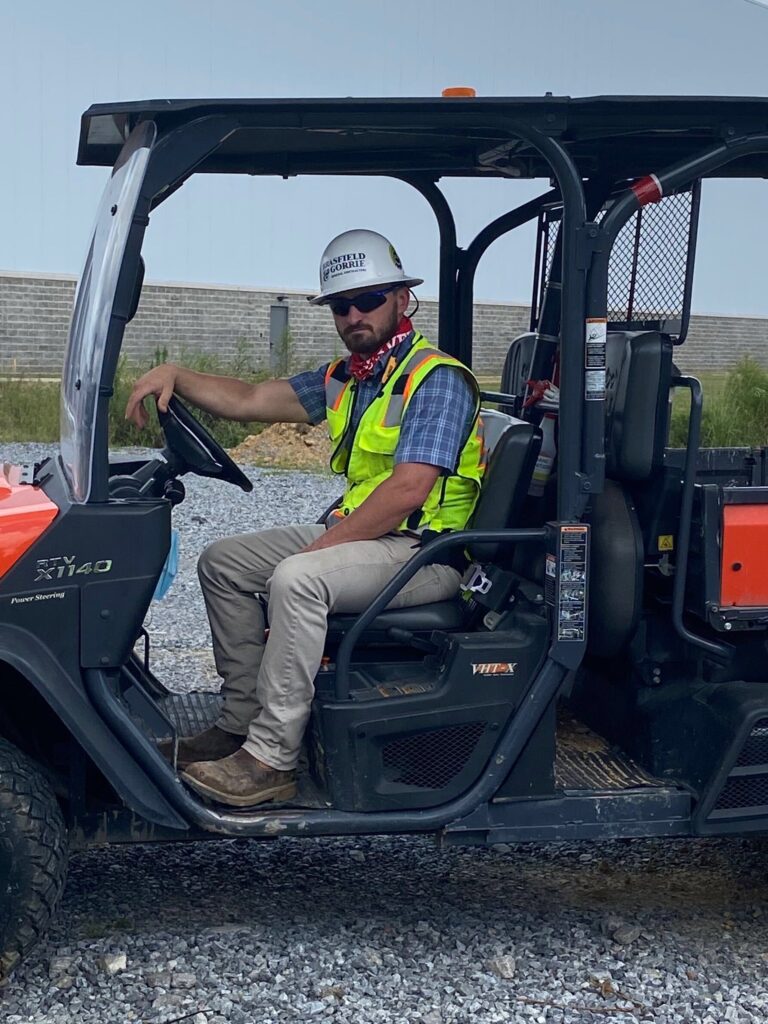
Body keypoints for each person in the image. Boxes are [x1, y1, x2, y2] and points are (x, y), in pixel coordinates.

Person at [125, 229, 485, 807]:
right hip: (372, 537)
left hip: (427, 551)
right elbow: (247, 399)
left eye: (368, 300)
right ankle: (240, 721)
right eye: (341, 305)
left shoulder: (435, 380)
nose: (354, 314)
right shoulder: (350, 378)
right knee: (224, 562)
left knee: (297, 578)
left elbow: (407, 490)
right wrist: (177, 375)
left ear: (402, 299)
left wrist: (318, 550)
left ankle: (271, 758)